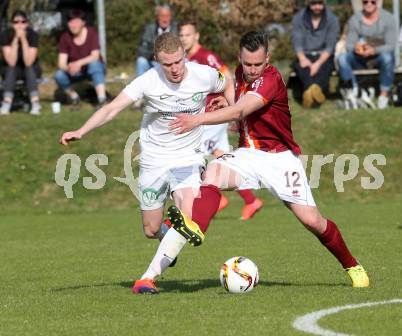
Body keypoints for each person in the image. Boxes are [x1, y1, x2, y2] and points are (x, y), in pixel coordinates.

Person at [137, 31, 369, 294]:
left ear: (267, 59)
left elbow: (239, 111)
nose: (252, 69)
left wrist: (199, 118)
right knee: (211, 173)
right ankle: (195, 226)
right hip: (248, 154)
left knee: (312, 221)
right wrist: (221, 101)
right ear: (240, 58)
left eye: (258, 64)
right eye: (247, 64)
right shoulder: (238, 73)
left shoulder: (271, 79)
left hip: (280, 160)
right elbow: (237, 111)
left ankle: (352, 265)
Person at [58, 32, 233, 293]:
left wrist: (228, 104)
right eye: (167, 64)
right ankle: (167, 234)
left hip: (188, 157)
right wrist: (81, 131)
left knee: (188, 215)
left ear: (184, 55)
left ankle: (147, 278)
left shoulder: (203, 74)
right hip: (154, 159)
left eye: (178, 62)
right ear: (157, 60)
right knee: (151, 230)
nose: (174, 69)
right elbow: (112, 108)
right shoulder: (148, 81)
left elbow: (227, 81)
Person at [179, 20, 263, 220]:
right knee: (222, 157)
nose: (184, 39)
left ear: (196, 36)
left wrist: (232, 106)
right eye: (181, 35)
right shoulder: (184, 59)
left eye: (188, 35)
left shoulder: (206, 56)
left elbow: (226, 77)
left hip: (211, 116)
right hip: (205, 116)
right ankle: (251, 201)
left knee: (191, 156)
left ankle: (198, 204)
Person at [337, 0, 397, 109]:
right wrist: (357, 48)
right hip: (359, 57)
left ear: (377, 3)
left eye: (373, 2)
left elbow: (391, 45)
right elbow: (349, 45)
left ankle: (383, 95)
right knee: (342, 59)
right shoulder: (355, 19)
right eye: (365, 2)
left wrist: (374, 50)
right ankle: (354, 93)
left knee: (388, 58)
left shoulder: (388, 18)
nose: (369, 4)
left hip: (379, 56)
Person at [291, 0, 340, 108]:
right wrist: (303, 59)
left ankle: (309, 92)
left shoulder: (332, 19)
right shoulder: (298, 18)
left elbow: (330, 46)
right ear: (308, 3)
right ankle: (315, 90)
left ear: (324, 3)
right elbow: (296, 41)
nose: (317, 6)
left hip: (324, 55)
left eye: (320, 3)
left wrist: (317, 64)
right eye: (314, 3)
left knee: (324, 68)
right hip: (305, 54)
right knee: (302, 67)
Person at [54, 9, 107, 106]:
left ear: (83, 22)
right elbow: (61, 63)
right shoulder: (65, 37)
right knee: (59, 75)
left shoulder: (92, 33)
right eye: (71, 21)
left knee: (95, 65)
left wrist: (78, 63)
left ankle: (102, 99)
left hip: (93, 68)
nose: (73, 25)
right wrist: (69, 67)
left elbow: (95, 56)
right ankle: (74, 97)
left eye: (76, 21)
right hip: (75, 72)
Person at [0, 10, 41, 115]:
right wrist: (15, 40)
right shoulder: (5, 34)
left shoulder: (33, 35)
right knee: (11, 69)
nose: (19, 25)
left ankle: (35, 102)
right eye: (16, 22)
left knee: (29, 69)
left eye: (23, 22)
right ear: (11, 23)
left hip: (30, 69)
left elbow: (29, 61)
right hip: (11, 70)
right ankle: (7, 102)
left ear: (27, 23)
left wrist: (23, 39)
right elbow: (11, 61)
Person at [135, 4, 177, 77]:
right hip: (154, 61)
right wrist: (157, 54)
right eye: (162, 16)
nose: (165, 19)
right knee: (141, 61)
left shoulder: (177, 28)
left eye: (167, 16)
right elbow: (141, 50)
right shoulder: (149, 29)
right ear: (157, 17)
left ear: (171, 17)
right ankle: (140, 87)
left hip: (172, 62)